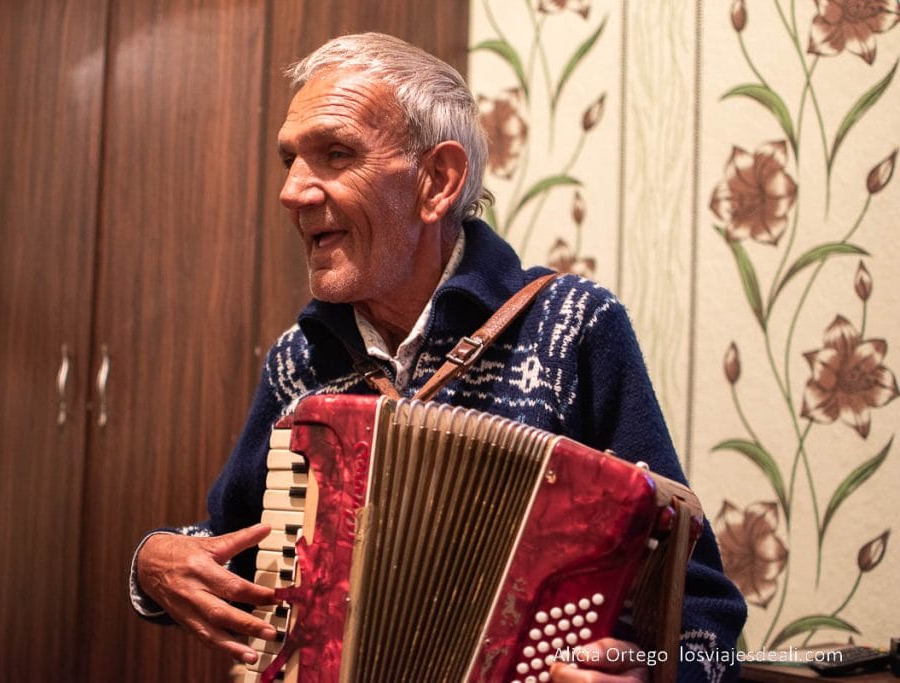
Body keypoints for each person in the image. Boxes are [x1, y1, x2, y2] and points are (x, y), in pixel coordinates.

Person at [131, 32, 746, 682]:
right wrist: (152, 563)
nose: (291, 191)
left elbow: (705, 615)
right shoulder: (301, 361)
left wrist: (652, 672)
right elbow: (235, 552)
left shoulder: (573, 327)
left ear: (438, 181)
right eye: (290, 160)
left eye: (335, 153)